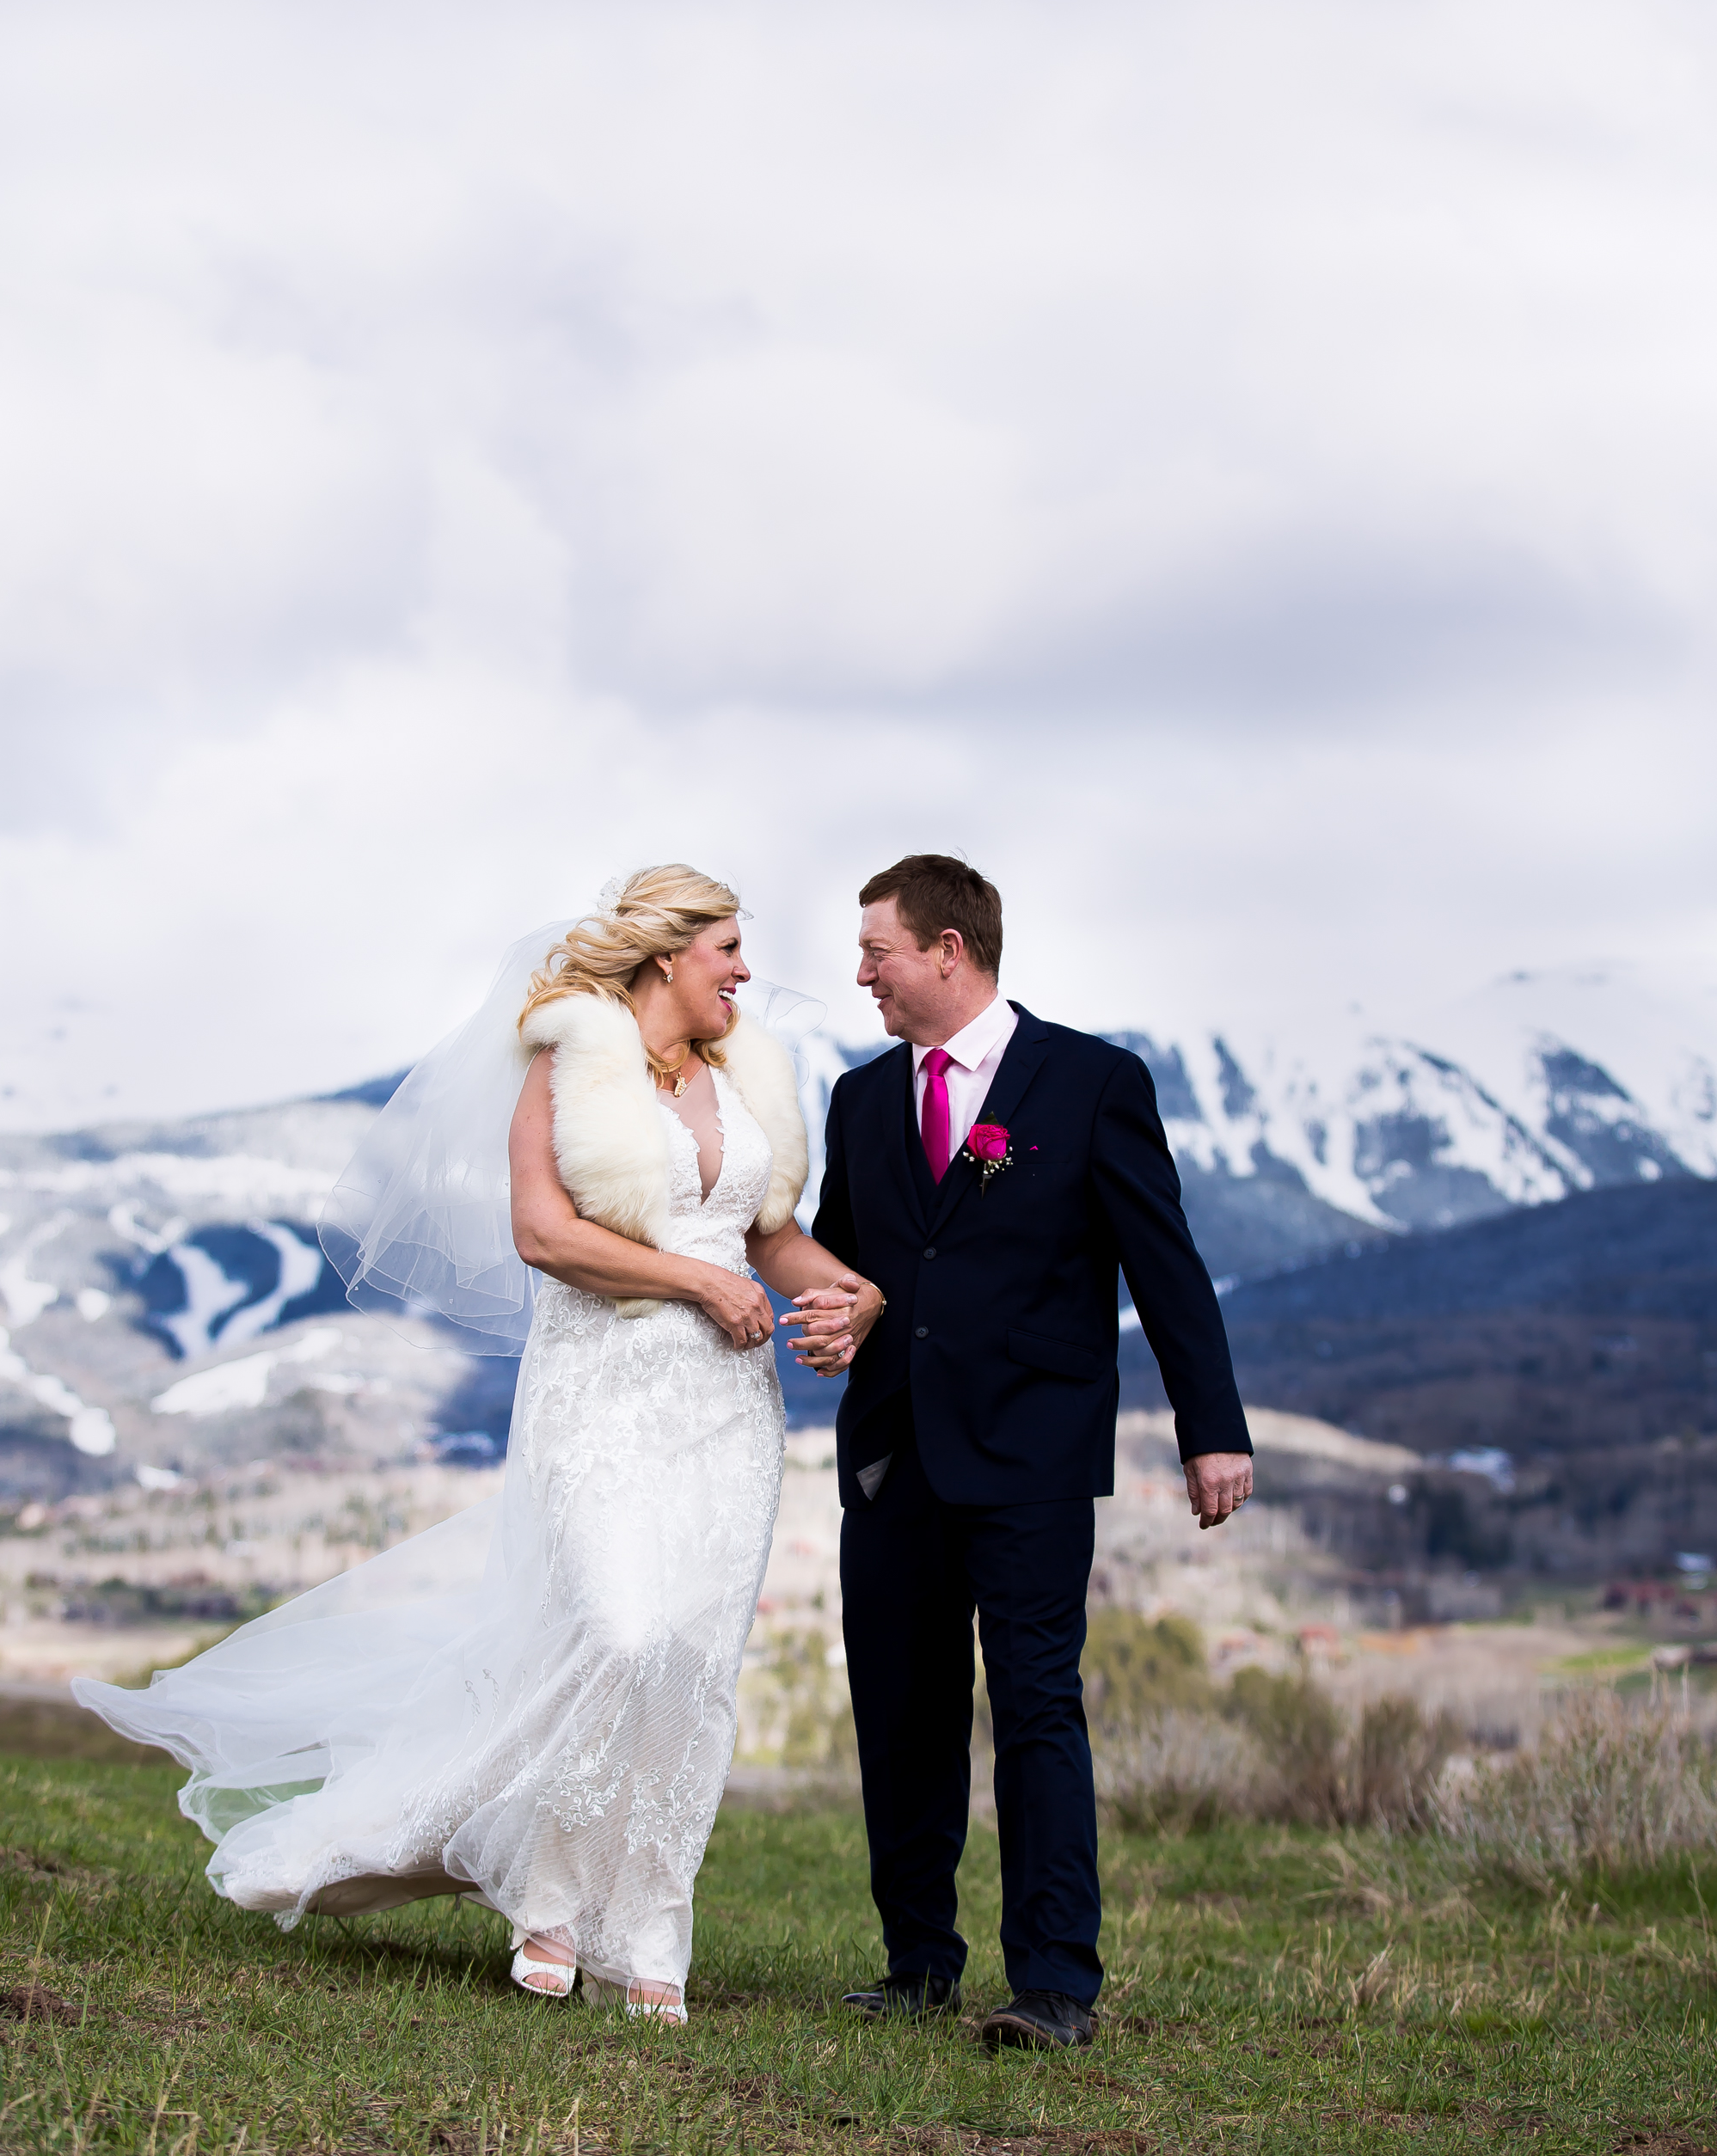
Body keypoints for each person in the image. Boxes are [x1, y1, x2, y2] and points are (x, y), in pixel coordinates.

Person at [75, 866, 880, 2023]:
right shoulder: (570, 1066)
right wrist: (699, 1282)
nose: (747, 973)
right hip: (599, 1396)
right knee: (617, 1627)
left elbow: (774, 1236)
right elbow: (545, 1234)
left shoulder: (747, 1076)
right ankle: (549, 1896)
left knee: (689, 1667)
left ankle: (648, 1931)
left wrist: (856, 1301)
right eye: (727, 951)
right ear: (666, 958)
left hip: (725, 1417)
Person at [811, 854, 1254, 2051]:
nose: (863, 976)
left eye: (878, 952)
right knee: (901, 1713)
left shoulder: (1093, 1084)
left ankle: (1055, 1983)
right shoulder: (859, 1103)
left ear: (948, 950)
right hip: (894, 1456)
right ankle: (917, 1963)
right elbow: (846, 1265)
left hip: (1034, 1456)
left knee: (1037, 1707)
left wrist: (1210, 1430)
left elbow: (1166, 1266)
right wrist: (830, 1316)